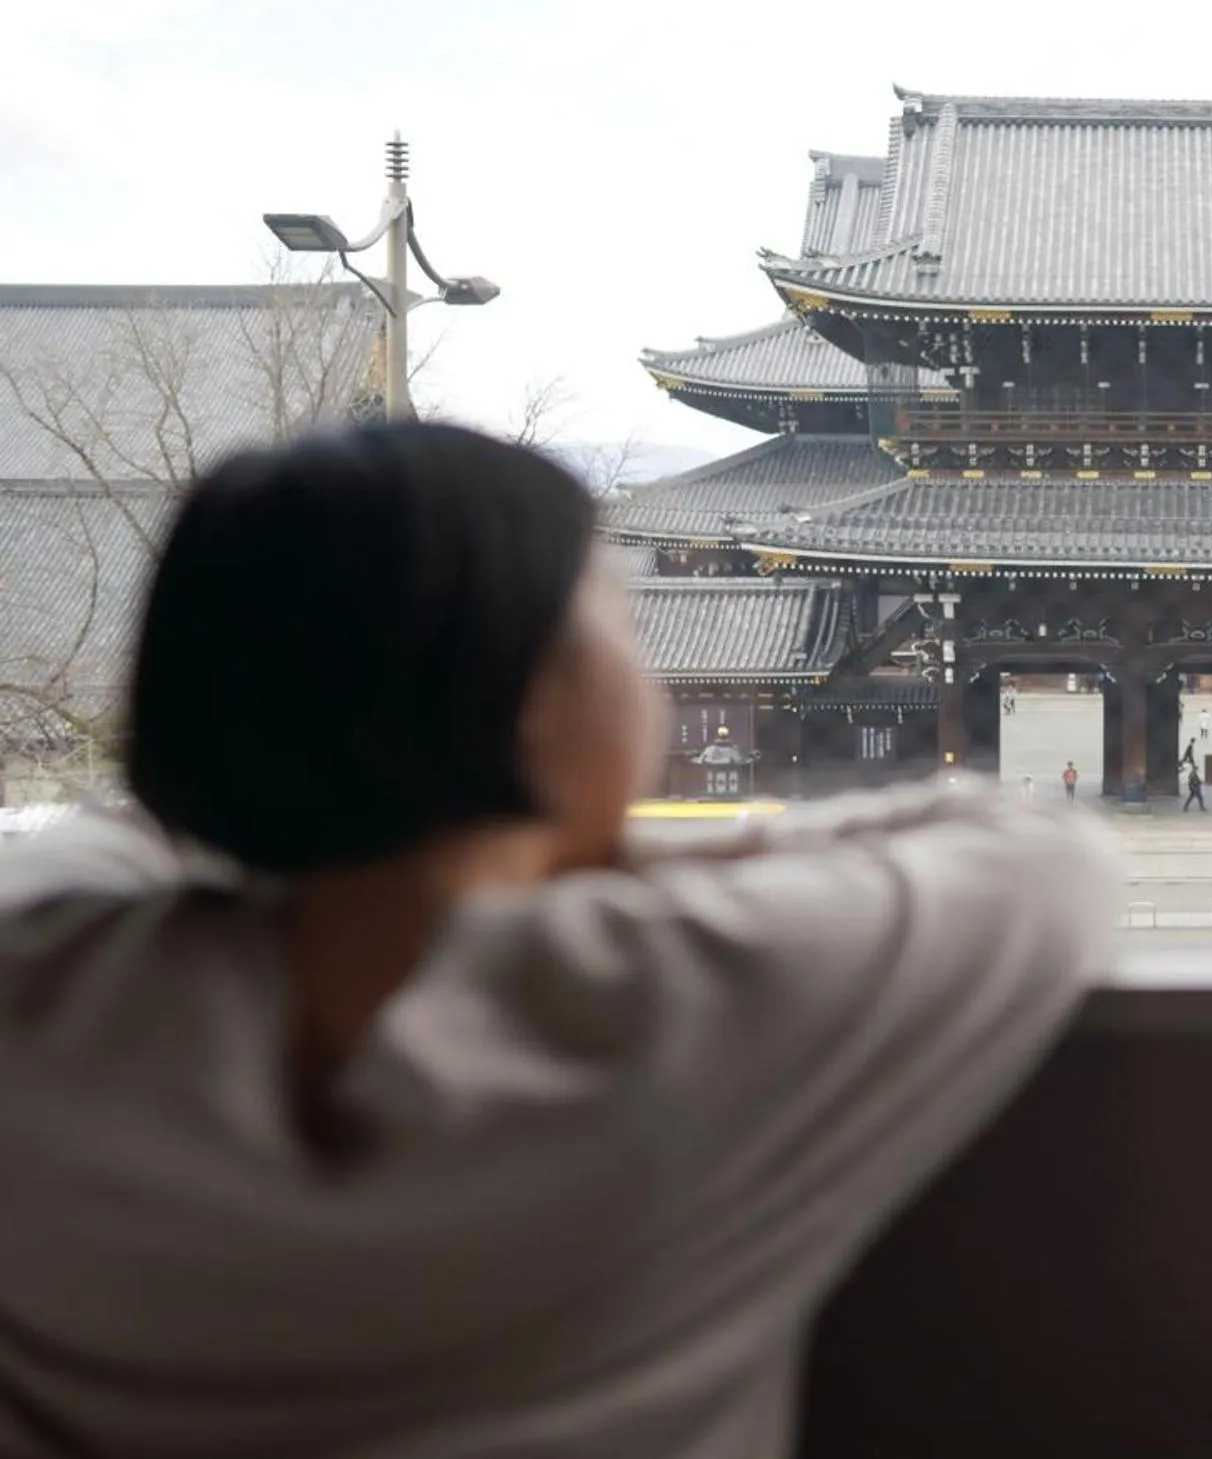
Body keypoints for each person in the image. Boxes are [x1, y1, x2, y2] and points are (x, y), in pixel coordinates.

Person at [0, 423, 1120, 1458]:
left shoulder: (46, 979)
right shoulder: (687, 989)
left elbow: (119, 835)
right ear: (531, 697)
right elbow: (1035, 851)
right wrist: (570, 851)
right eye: (623, 623)